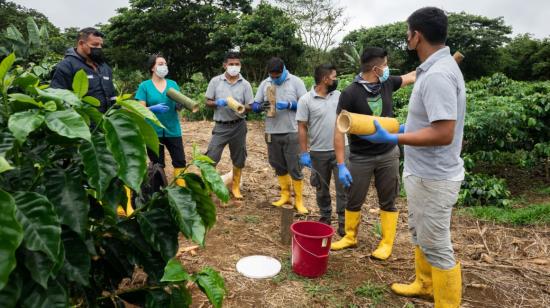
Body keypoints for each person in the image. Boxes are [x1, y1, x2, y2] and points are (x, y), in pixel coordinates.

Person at [361, 7, 466, 307]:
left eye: (408, 32)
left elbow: (444, 132)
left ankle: (445, 301)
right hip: (424, 173)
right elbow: (433, 123)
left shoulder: (438, 75)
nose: (407, 37)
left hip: (434, 176)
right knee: (420, 234)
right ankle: (424, 284)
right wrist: (409, 127)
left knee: (437, 244)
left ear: (416, 35)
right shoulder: (433, 69)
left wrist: (394, 136)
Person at [330, 47, 416, 262]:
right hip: (360, 156)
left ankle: (386, 243)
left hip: (388, 154)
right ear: (376, 68)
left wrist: (434, 67)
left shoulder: (387, 83)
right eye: (386, 65)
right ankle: (350, 236)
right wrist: (341, 165)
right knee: (354, 197)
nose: (388, 69)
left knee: (388, 199)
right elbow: (338, 129)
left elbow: (411, 76)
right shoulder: (350, 93)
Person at [296, 64, 348, 236]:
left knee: (343, 188)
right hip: (319, 151)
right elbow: (302, 127)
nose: (336, 80)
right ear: (325, 79)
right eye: (334, 77)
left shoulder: (340, 96)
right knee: (321, 187)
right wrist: (304, 153)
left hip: (341, 150)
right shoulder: (305, 100)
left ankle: (343, 222)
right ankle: (325, 215)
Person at [252, 57, 308, 214]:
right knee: (277, 164)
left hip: (292, 131)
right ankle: (285, 195)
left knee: (294, 166)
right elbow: (255, 103)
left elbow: (305, 104)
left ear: (284, 70)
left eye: (277, 76)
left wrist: (289, 105)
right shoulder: (265, 84)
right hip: (272, 131)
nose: (275, 79)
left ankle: (299, 200)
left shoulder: (296, 82)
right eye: (272, 76)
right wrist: (258, 107)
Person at [204, 51, 254, 199]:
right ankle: (208, 186)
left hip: (239, 125)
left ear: (240, 66)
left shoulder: (245, 84)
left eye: (237, 64)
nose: (234, 67)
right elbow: (207, 101)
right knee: (212, 156)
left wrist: (241, 106)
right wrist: (217, 103)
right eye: (231, 64)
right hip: (221, 126)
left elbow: (250, 105)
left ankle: (235, 186)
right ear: (224, 65)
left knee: (239, 157)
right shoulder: (215, 81)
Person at [135, 54, 186, 187]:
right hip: (153, 131)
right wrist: (152, 108)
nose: (164, 66)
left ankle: (181, 190)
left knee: (180, 161)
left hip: (172, 129)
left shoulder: (172, 84)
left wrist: (180, 105)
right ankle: (159, 192)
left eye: (165, 64)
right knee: (157, 164)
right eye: (160, 64)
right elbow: (140, 109)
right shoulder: (144, 86)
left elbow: (178, 106)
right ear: (152, 67)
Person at [51, 27, 116, 113]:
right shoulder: (66, 66)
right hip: (81, 122)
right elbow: (57, 98)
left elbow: (112, 96)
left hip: (105, 121)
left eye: (101, 45)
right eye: (95, 45)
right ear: (81, 43)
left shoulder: (104, 67)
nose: (99, 48)